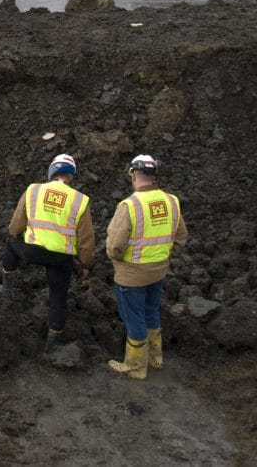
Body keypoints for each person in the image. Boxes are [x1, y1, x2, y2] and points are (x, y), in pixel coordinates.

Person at [0, 153, 96, 351]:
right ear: (70, 176)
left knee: (11, 243)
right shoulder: (80, 200)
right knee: (58, 296)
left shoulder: (33, 190)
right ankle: (51, 344)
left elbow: (16, 223)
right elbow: (86, 240)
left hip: (32, 251)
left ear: (52, 171)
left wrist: (14, 234)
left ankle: (7, 288)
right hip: (61, 259)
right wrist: (85, 265)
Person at [106, 154, 187, 380]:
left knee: (133, 318)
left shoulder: (129, 206)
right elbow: (181, 237)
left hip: (131, 275)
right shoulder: (171, 201)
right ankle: (155, 357)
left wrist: (116, 259)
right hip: (159, 271)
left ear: (133, 174)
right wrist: (162, 253)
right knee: (151, 311)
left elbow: (114, 247)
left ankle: (135, 367)